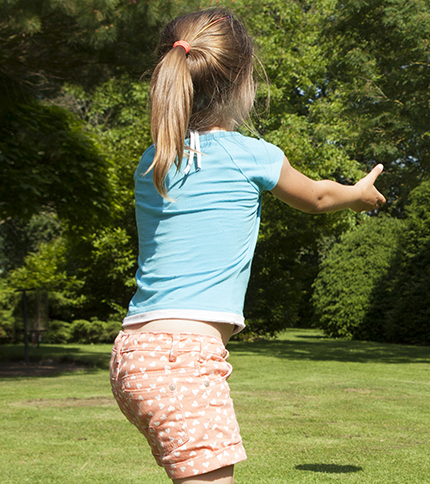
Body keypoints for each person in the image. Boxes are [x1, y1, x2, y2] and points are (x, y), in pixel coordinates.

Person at [108, 8, 386, 484]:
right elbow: (318, 196)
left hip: (134, 352)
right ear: (242, 84)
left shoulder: (153, 161)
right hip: (183, 356)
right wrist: (358, 196)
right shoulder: (250, 155)